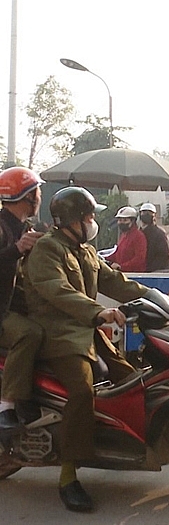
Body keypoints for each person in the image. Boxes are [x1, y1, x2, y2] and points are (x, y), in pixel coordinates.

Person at [19, 186, 148, 512]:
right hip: (58, 336)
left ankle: (115, 440)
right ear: (72, 220)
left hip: (88, 334)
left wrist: (150, 297)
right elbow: (59, 292)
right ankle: (68, 475)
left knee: (131, 378)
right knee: (81, 390)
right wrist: (98, 312)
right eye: (89, 216)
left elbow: (113, 280)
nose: (93, 222)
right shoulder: (46, 251)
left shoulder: (85, 250)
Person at [0, 167, 46, 437]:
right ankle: (6, 405)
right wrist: (16, 250)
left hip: (14, 306)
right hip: (2, 312)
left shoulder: (23, 228)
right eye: (36, 192)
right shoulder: (5, 229)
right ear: (26, 197)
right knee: (29, 334)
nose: (39, 197)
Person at [106, 206, 147, 272]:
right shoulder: (123, 236)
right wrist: (104, 259)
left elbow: (140, 258)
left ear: (133, 221)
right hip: (123, 273)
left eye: (125, 220)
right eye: (119, 220)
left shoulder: (139, 236)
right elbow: (117, 254)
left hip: (134, 275)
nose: (121, 223)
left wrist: (121, 266)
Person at [138, 203, 169, 272]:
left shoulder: (160, 233)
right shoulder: (140, 232)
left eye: (149, 213)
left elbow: (164, 254)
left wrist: (149, 268)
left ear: (154, 216)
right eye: (144, 212)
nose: (146, 215)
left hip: (161, 270)